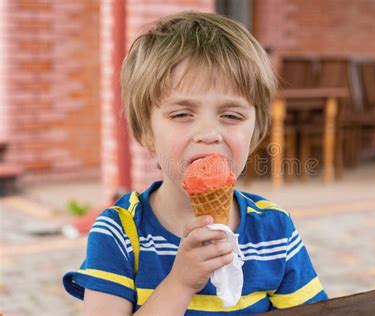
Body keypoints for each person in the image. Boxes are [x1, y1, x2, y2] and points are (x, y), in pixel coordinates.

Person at [63, 11, 328, 315]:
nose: (208, 134)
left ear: (256, 133)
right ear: (146, 132)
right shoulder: (120, 234)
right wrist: (180, 283)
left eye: (231, 116)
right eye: (181, 114)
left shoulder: (273, 228)